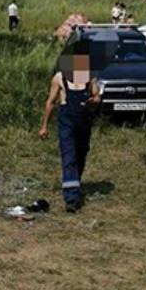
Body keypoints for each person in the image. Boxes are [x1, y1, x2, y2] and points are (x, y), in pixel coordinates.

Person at [39, 43, 101, 212]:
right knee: (69, 157)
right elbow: (50, 103)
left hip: (83, 122)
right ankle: (71, 199)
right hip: (66, 121)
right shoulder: (60, 78)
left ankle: (74, 183)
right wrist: (44, 126)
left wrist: (94, 101)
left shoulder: (90, 78)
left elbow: (97, 97)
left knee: (81, 154)